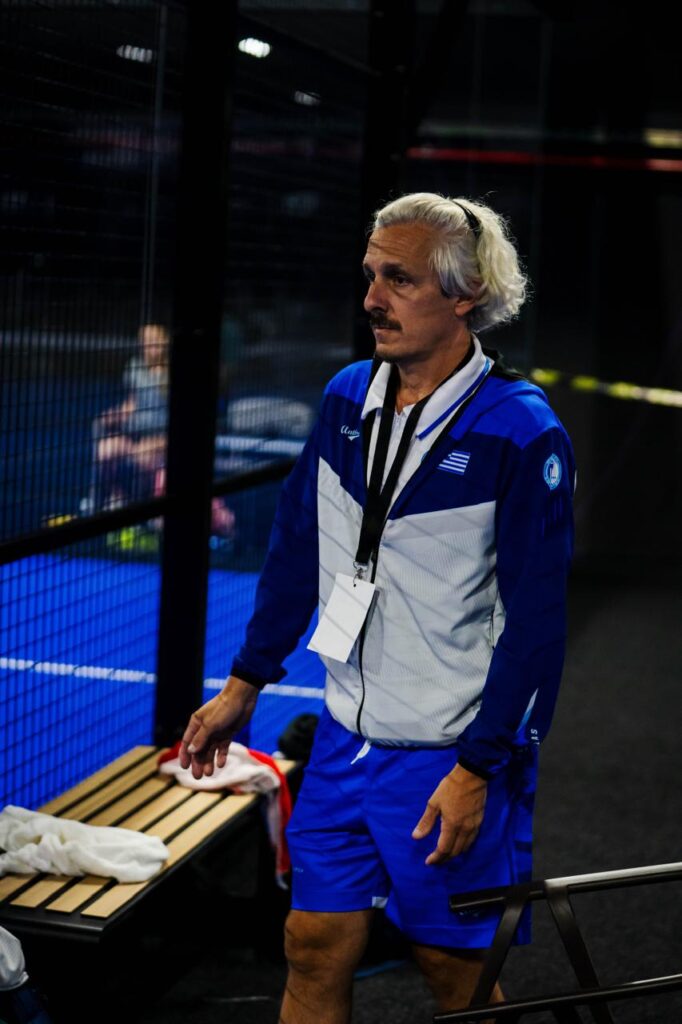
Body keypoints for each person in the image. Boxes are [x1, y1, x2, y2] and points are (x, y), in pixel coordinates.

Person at [180, 193, 575, 1021]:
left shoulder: (520, 430)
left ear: (465, 293)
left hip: (446, 757)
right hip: (341, 741)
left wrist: (477, 770)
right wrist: (245, 682)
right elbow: (298, 545)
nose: (371, 299)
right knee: (311, 943)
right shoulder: (345, 398)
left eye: (399, 279)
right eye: (369, 275)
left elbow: (537, 628)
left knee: (452, 972)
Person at [93, 322, 235, 537]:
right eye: (145, 342)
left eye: (154, 341)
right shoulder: (135, 367)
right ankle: (116, 498)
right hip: (135, 435)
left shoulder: (177, 370)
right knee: (105, 450)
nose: (149, 347)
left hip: (164, 439)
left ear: (165, 342)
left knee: (144, 456)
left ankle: (144, 509)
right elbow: (132, 403)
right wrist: (116, 415)